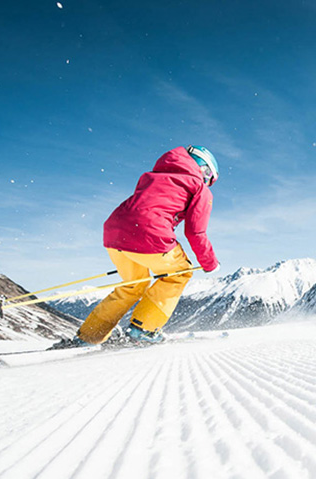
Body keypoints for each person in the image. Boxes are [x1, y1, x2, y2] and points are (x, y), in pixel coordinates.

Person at [55, 145, 220, 347]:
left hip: (114, 233)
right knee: (179, 274)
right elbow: (195, 232)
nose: (208, 182)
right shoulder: (199, 188)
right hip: (150, 233)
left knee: (133, 285)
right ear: (204, 168)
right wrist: (209, 263)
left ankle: (88, 336)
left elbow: (143, 208)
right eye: (210, 177)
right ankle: (144, 329)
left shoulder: (152, 177)